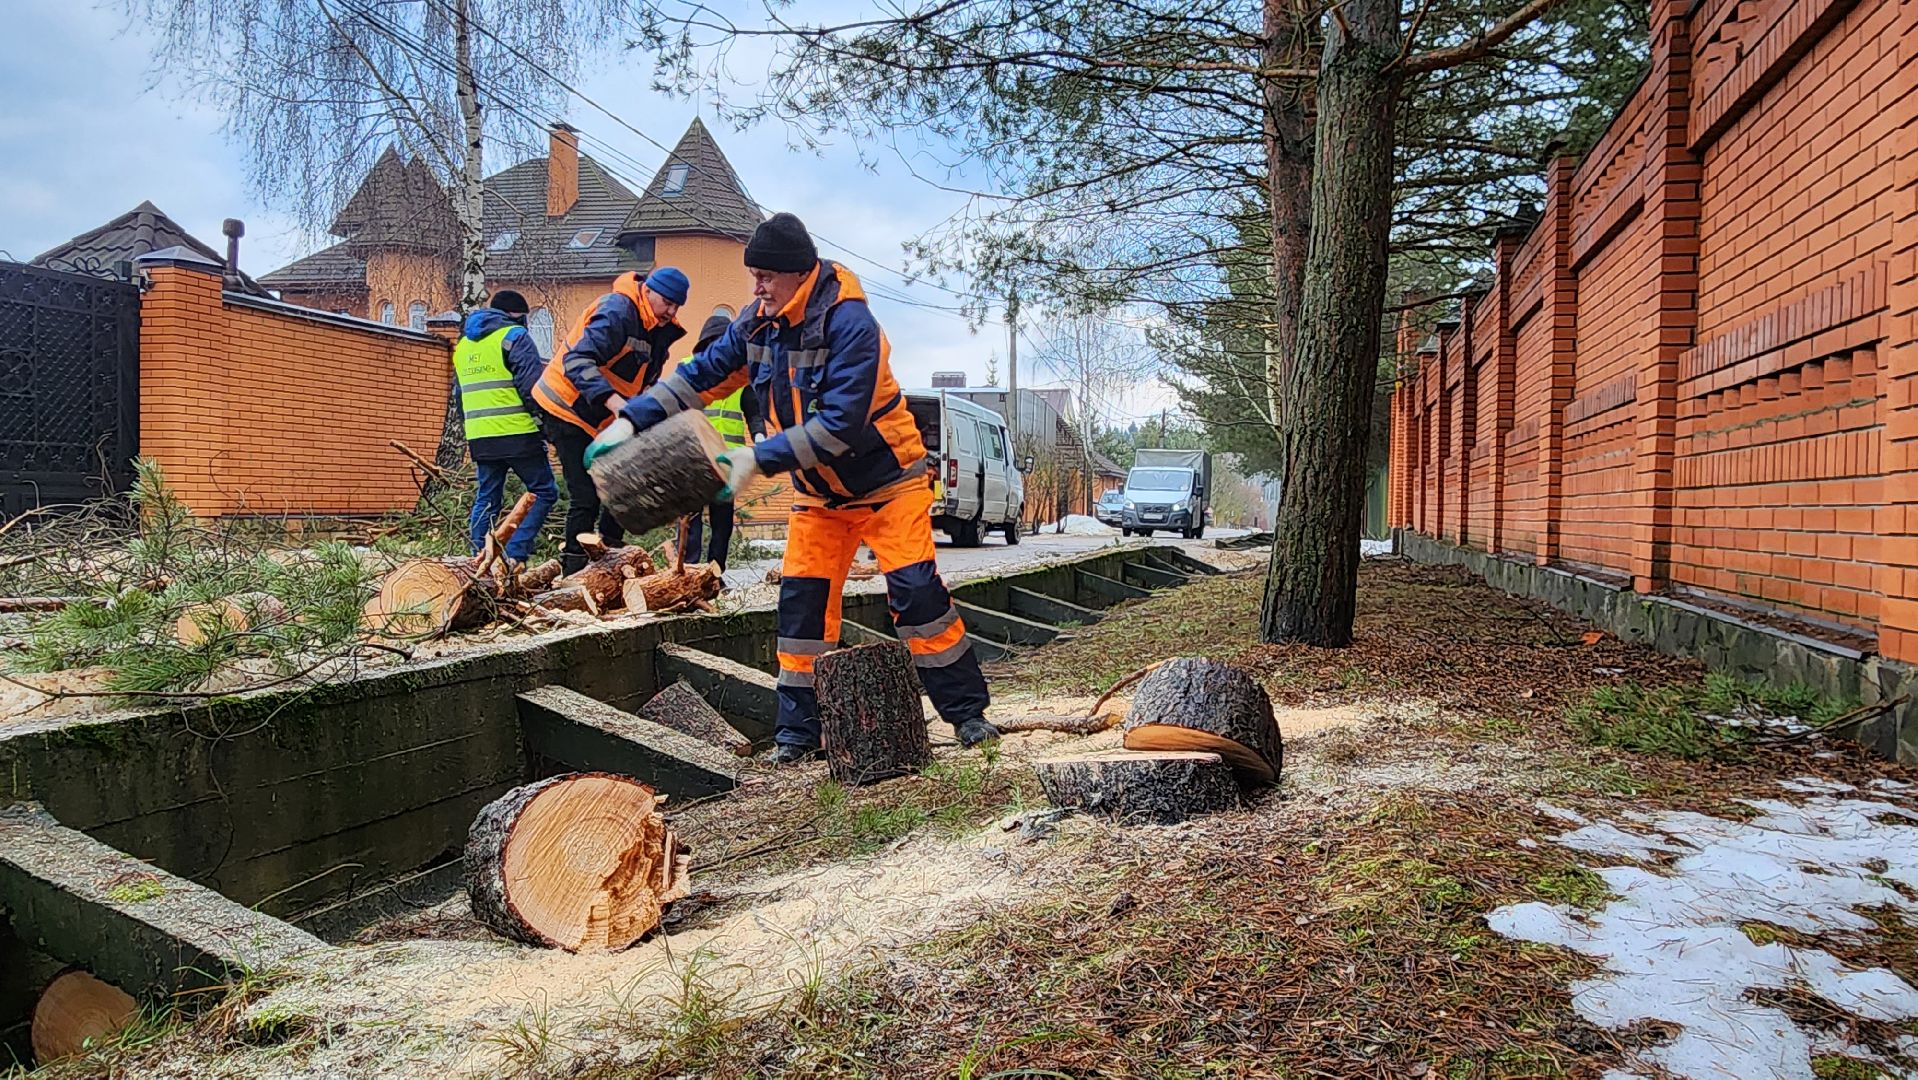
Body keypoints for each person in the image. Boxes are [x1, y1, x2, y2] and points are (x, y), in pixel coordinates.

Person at [593, 212, 1000, 763]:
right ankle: (797, 735)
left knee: (917, 596)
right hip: (820, 496)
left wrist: (752, 460)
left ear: (798, 273)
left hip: (889, 485)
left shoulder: (850, 324)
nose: (756, 287)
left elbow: (839, 426)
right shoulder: (756, 323)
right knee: (802, 609)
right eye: (752, 275)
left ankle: (967, 715)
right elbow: (701, 377)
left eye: (765, 276)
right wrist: (631, 420)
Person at [531, 267, 688, 573]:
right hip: (566, 408)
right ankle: (574, 571)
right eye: (667, 302)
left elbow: (644, 380)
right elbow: (576, 361)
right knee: (586, 494)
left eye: (677, 306)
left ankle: (611, 562)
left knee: (622, 485)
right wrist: (617, 405)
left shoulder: (658, 329)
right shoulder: (618, 311)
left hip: (603, 417)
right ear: (648, 291)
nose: (671, 311)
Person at [455, 290, 557, 569]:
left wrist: (472, 432)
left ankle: (479, 560)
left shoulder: (463, 345)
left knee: (487, 497)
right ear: (516, 316)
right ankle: (514, 554)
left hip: (480, 436)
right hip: (517, 432)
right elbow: (531, 390)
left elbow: (458, 396)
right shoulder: (515, 337)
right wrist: (547, 429)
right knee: (544, 490)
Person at [676, 313, 765, 570]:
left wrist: (760, 439)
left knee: (722, 522)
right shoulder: (689, 367)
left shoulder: (740, 376)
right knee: (690, 521)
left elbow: (754, 412)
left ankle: (715, 573)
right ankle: (687, 571)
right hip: (694, 460)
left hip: (728, 463)